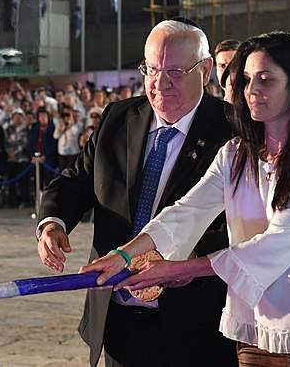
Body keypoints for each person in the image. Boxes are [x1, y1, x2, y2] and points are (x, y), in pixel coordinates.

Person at [88, 32, 290, 366]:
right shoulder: (235, 154)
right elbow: (187, 211)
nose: (252, 91)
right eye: (246, 79)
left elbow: (272, 245)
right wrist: (123, 254)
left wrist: (180, 268)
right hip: (255, 332)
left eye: (266, 80)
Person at [37, 19, 235, 367]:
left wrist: (181, 262)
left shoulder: (233, 131)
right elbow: (77, 180)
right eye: (152, 69)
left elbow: (239, 225)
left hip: (197, 324)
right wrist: (53, 222)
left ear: (205, 71)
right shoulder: (118, 117)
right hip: (117, 319)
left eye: (175, 70)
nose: (160, 83)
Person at [5, 109, 31, 208]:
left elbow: (25, 142)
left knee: (23, 180)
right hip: (11, 159)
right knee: (11, 179)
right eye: (15, 116)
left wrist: (16, 152)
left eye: (19, 116)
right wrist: (10, 153)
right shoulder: (9, 128)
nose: (17, 118)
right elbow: (6, 141)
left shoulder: (25, 129)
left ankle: (24, 200)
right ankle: (12, 200)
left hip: (22, 158)